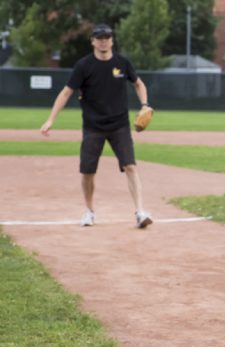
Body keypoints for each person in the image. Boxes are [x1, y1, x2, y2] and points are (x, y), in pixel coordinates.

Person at [40, 24, 153, 228]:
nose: (103, 41)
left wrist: (145, 104)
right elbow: (66, 92)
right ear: (92, 41)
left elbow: (138, 83)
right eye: (99, 37)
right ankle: (89, 211)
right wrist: (50, 119)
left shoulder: (122, 62)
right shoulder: (84, 66)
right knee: (88, 172)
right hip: (93, 127)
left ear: (112, 40)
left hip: (119, 125)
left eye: (107, 37)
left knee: (130, 166)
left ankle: (140, 212)